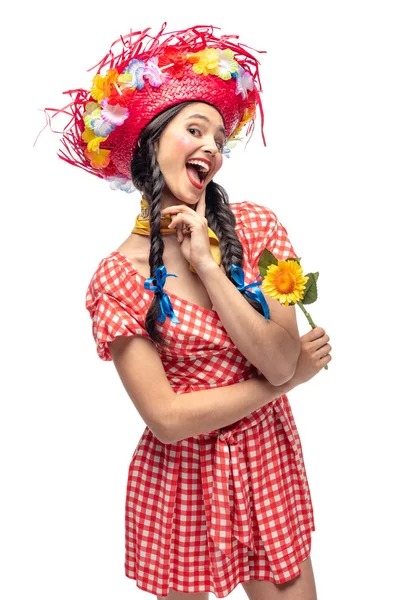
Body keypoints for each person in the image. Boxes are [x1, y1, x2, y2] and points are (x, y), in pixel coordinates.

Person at [49, 23, 332, 600]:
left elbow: (278, 357)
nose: (212, 147)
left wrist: (207, 263)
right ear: (150, 144)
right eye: (194, 129)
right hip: (181, 485)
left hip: (267, 462)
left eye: (220, 138)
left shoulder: (255, 229)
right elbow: (167, 420)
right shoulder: (117, 280)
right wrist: (286, 384)